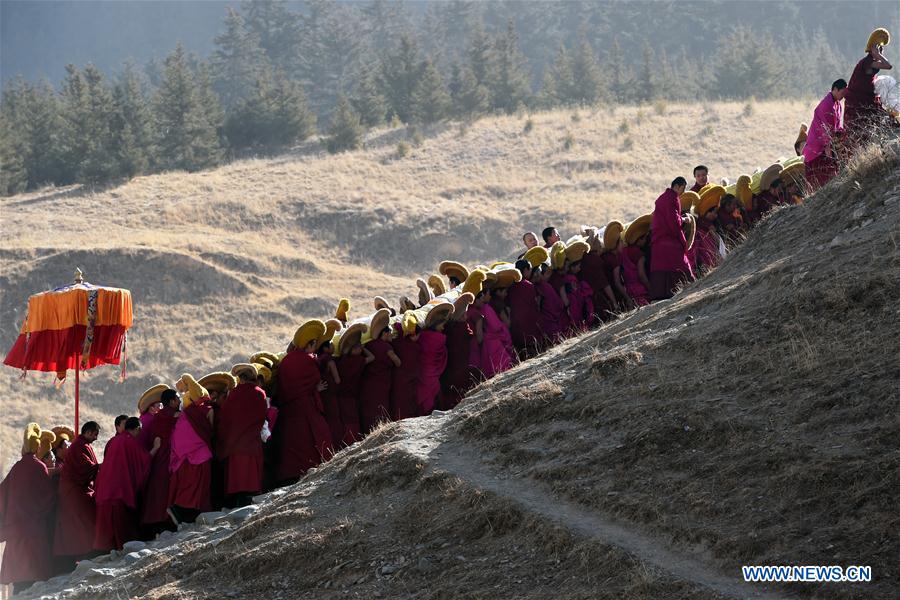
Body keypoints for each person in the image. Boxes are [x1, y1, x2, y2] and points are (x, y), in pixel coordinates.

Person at [274, 320, 334, 485]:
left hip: (290, 409)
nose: (315, 348)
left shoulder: (286, 361)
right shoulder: (306, 360)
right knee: (314, 438)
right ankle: (317, 468)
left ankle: (293, 475)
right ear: (310, 344)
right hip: (306, 406)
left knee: (295, 442)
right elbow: (312, 381)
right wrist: (316, 389)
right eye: (314, 344)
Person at [0, 424, 57, 594]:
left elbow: (2, 492)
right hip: (33, 529)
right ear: (38, 446)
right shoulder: (39, 467)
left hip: (15, 529)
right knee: (34, 574)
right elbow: (48, 497)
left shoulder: (17, 467)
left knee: (18, 575)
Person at [94, 417, 154, 551]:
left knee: (106, 525)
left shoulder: (114, 440)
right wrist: (156, 448)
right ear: (137, 428)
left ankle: (104, 550)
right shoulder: (130, 441)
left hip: (105, 486)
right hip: (120, 489)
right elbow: (144, 461)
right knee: (121, 526)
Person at [216, 365, 267, 505]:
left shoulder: (233, 394)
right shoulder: (260, 393)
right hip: (251, 443)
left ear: (242, 379)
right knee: (251, 482)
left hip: (234, 444)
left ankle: (236, 502)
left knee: (237, 481)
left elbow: (225, 417)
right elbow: (262, 416)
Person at [53, 421, 100, 567]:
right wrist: (103, 467)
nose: (96, 438)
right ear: (87, 432)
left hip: (78, 488)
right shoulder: (79, 446)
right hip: (73, 491)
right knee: (84, 521)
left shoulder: (83, 445)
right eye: (94, 434)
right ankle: (86, 552)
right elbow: (84, 468)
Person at [168, 375, 215, 522]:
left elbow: (177, 439)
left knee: (187, 488)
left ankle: (182, 514)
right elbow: (212, 429)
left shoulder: (184, 416)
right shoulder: (206, 410)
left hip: (183, 458)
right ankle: (188, 513)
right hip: (201, 455)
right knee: (198, 487)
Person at [140, 388, 179, 534]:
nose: (159, 408)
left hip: (158, 457)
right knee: (164, 488)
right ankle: (164, 519)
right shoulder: (170, 416)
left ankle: (156, 521)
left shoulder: (157, 418)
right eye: (156, 405)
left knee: (158, 489)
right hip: (164, 456)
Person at [649, 177, 695, 300]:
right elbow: (674, 222)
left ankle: (661, 296)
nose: (683, 192)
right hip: (669, 241)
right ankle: (691, 286)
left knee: (661, 268)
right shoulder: (672, 198)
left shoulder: (662, 198)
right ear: (678, 186)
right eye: (683, 188)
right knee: (682, 265)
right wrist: (685, 219)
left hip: (658, 242)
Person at [844, 28, 893, 139]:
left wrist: (878, 54)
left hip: (866, 99)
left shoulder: (872, 61)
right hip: (858, 102)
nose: (881, 52)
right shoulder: (868, 61)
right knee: (857, 132)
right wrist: (877, 54)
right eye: (879, 49)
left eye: (882, 49)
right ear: (873, 50)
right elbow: (888, 66)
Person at [358, 310, 401, 433]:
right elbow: (398, 362)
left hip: (368, 383)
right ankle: (379, 431)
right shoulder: (387, 347)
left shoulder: (370, 344)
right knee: (380, 409)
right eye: (390, 333)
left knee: (370, 410)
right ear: (385, 333)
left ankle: (368, 432)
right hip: (381, 384)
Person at [803, 79, 848, 190]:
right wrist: (828, 147)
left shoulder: (837, 104)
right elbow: (825, 129)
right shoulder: (826, 105)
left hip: (830, 145)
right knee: (818, 181)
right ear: (835, 90)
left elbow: (836, 126)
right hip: (818, 148)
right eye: (842, 93)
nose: (843, 96)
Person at [335, 326, 373, 445]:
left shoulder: (342, 360)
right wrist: (364, 349)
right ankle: (352, 441)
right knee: (352, 420)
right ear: (352, 349)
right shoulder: (356, 361)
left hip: (342, 396)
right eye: (357, 347)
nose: (360, 349)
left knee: (346, 420)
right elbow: (372, 357)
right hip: (349, 396)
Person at [440, 293, 475, 410]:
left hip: (451, 364)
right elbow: (470, 335)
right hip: (459, 363)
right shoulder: (461, 328)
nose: (466, 317)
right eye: (464, 315)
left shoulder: (449, 328)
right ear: (459, 316)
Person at [507, 259, 544, 358]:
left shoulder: (510, 287)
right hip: (529, 323)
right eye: (530, 269)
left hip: (516, 327)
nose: (531, 272)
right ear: (525, 270)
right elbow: (534, 304)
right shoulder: (528, 285)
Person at [390, 313, 421, 420]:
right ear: (413, 335)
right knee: (406, 405)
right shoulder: (415, 348)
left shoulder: (396, 341)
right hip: (408, 381)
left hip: (396, 379)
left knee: (397, 404)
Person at [417, 314, 448, 416]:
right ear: (436, 324)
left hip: (422, 369)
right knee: (433, 391)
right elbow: (443, 355)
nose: (443, 328)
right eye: (441, 325)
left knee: (424, 392)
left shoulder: (422, 335)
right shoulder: (440, 338)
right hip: (432, 370)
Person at [621, 216, 652, 306]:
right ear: (639, 239)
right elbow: (642, 275)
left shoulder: (624, 251)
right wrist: (651, 289)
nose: (646, 240)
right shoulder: (639, 254)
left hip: (629, 290)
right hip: (640, 291)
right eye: (644, 238)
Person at [694, 192, 726, 274]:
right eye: (714, 212)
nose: (716, 216)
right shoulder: (700, 232)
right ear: (707, 212)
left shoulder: (709, 227)